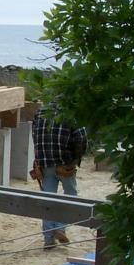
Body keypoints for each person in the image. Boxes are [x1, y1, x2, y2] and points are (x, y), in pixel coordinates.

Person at [32, 104, 88, 248]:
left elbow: (35, 136)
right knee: (70, 196)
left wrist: (38, 159)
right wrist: (75, 159)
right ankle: (60, 228)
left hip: (45, 163)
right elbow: (81, 138)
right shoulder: (70, 111)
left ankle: (48, 239)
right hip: (65, 163)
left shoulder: (40, 111)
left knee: (47, 200)